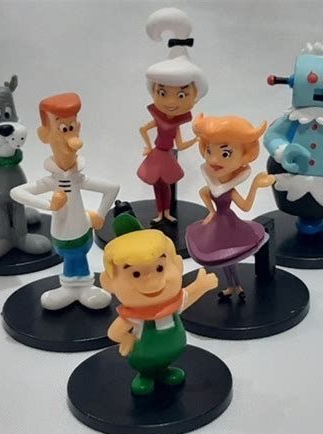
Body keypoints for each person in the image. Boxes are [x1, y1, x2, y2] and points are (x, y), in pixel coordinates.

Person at [10, 93, 119, 310]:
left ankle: (82, 287)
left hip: (82, 230)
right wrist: (49, 205)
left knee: (78, 257)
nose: (72, 138)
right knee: (71, 258)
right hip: (62, 234)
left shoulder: (78, 178)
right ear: (45, 135)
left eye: (72, 127)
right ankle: (72, 288)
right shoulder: (52, 181)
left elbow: (112, 188)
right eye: (63, 128)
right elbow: (17, 192)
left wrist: (100, 214)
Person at [101, 227, 217, 395]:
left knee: (165, 363)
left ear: (178, 265)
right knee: (145, 366)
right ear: (109, 283)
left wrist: (201, 286)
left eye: (160, 268)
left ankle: (164, 370)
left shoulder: (173, 304)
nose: (151, 281)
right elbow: (114, 332)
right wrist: (126, 338)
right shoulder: (133, 316)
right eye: (136, 274)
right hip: (143, 354)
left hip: (172, 349)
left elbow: (188, 297)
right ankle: (145, 375)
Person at [186, 114, 275, 300]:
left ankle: (237, 286)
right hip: (217, 225)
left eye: (225, 153)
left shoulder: (230, 190)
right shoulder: (213, 184)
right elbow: (204, 192)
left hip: (230, 225)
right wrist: (211, 211)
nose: (214, 160)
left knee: (231, 256)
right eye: (209, 151)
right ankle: (231, 286)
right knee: (223, 258)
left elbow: (246, 207)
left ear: (245, 156)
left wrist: (255, 185)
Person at [137, 7, 208, 224]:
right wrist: (147, 146)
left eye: (181, 94)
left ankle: (167, 212)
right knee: (156, 184)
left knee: (166, 184)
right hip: (157, 153)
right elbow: (143, 129)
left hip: (167, 155)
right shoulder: (157, 117)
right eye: (162, 92)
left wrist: (196, 139)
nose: (170, 102)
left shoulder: (177, 121)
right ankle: (159, 213)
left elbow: (180, 143)